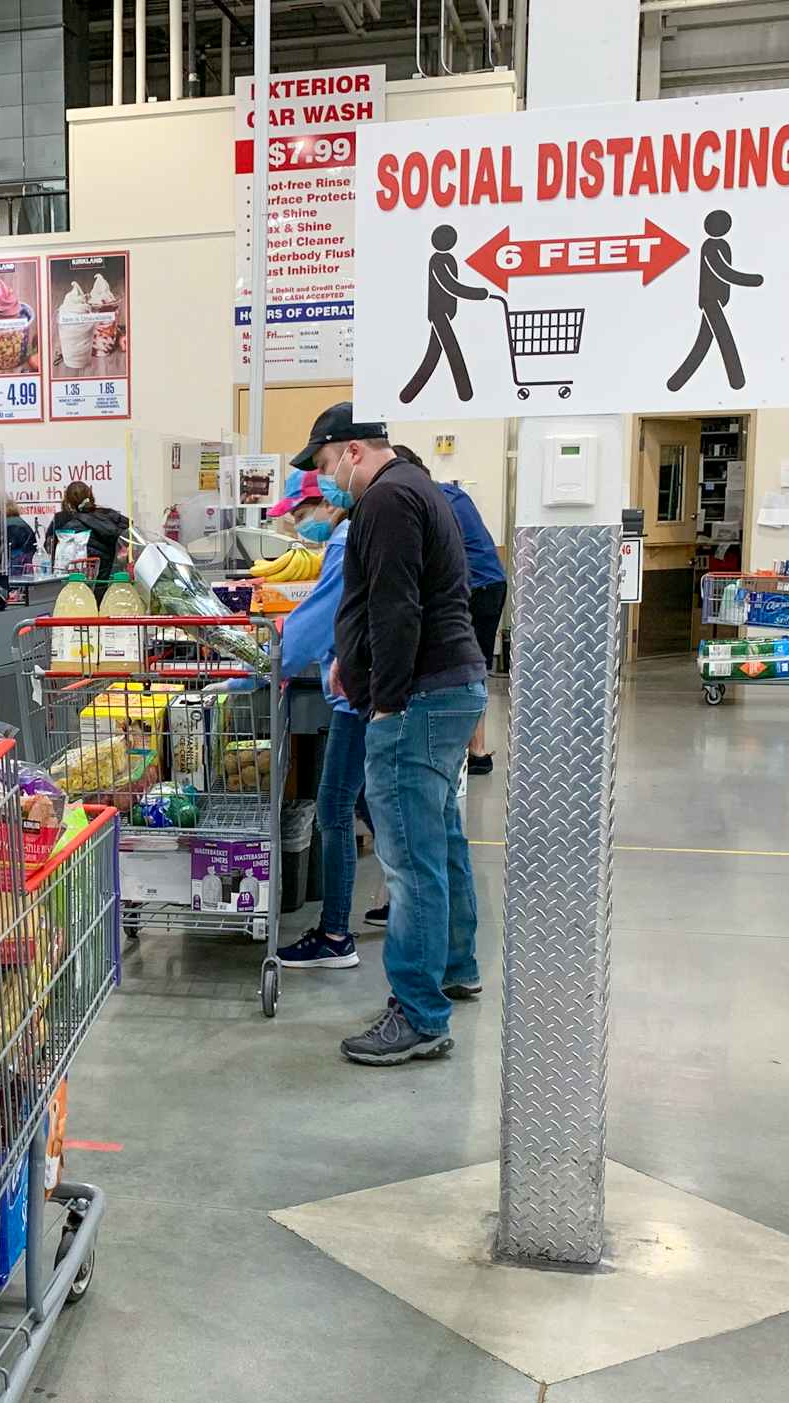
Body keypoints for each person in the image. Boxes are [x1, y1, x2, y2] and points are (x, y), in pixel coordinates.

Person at [292, 403, 486, 1067]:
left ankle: (419, 1014)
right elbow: (395, 598)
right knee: (440, 840)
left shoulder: (386, 501)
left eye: (323, 465)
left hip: (418, 699)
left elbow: (397, 609)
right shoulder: (417, 488)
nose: (324, 482)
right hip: (448, 687)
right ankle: (455, 965)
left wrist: (386, 702)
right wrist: (353, 656)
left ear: (350, 450)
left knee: (408, 863)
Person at [271, 471, 361, 969]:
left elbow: (309, 629)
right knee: (371, 811)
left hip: (358, 702)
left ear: (329, 505)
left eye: (303, 516)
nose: (300, 527)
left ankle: (334, 934)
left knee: (333, 810)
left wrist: (253, 673)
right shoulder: (349, 540)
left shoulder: (345, 546)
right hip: (365, 693)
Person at [394, 445, 506, 777]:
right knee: (474, 668)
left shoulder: (429, 501)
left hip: (477, 588)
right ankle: (474, 751)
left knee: (465, 671)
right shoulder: (450, 494)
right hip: (490, 583)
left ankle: (472, 752)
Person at [667, 208, 762, 393]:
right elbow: (722, 271)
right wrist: (752, 280)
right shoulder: (711, 247)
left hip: (717, 299)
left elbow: (724, 271)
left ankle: (676, 382)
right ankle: (736, 380)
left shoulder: (722, 246)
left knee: (703, 345)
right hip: (711, 300)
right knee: (724, 340)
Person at [400, 224, 488, 406]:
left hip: (445, 313)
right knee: (452, 351)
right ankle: (465, 392)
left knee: (433, 356)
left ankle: (408, 395)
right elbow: (450, 285)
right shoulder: (438, 261)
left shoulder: (447, 259)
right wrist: (479, 293)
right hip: (439, 313)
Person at [42, 479, 130, 575]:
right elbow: (131, 532)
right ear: (91, 496)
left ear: (68, 501)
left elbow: (50, 550)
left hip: (80, 582)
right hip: (112, 580)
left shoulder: (62, 521)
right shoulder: (110, 516)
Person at [4, 499, 37, 573]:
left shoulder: (4, 523)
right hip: (26, 561)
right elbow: (33, 542)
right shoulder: (21, 522)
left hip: (12, 562)